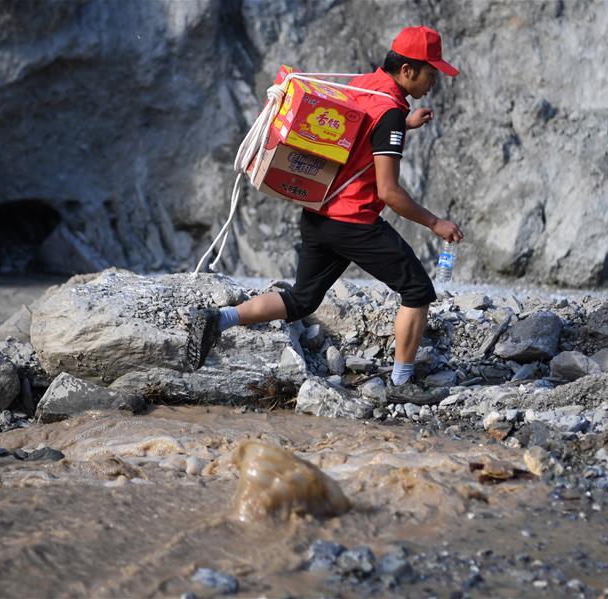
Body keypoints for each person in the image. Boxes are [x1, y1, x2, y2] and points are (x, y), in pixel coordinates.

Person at [186, 26, 463, 404]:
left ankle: (220, 320)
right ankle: (402, 384)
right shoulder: (391, 114)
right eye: (432, 73)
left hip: (318, 216)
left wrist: (406, 125)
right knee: (416, 291)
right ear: (409, 71)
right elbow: (389, 193)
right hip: (354, 223)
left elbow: (359, 136)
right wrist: (435, 223)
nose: (435, 81)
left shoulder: (365, 86)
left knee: (302, 299)